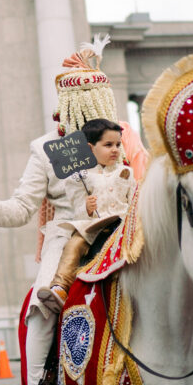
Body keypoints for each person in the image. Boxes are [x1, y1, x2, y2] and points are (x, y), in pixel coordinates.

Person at [0, 36, 147, 385]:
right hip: (67, 244)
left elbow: (146, 187)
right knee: (37, 318)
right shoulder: (47, 149)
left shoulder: (123, 137)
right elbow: (23, 207)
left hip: (123, 236)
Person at [36, 118, 136, 312]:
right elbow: (77, 209)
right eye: (108, 145)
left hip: (122, 223)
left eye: (117, 144)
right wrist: (87, 207)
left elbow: (133, 201)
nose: (114, 149)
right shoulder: (79, 177)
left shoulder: (126, 172)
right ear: (90, 148)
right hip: (93, 226)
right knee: (74, 244)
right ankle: (60, 286)